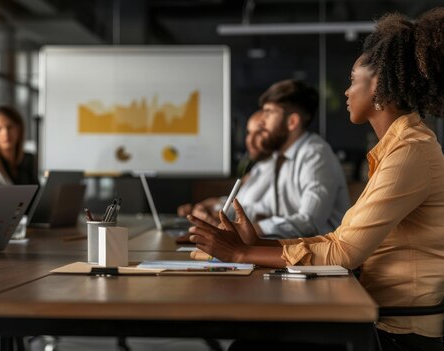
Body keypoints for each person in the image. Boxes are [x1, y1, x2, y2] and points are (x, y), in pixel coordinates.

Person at [188, 9, 444, 350]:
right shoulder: (398, 148)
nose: (346, 92)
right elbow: (338, 239)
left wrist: (241, 253)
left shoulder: (411, 151)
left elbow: (343, 253)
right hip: (372, 313)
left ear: (379, 87)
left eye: (354, 80)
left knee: (252, 346)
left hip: (396, 333)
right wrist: (259, 245)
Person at [242, 79, 349, 239]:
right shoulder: (280, 156)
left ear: (292, 122)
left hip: (322, 259)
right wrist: (220, 217)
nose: (261, 122)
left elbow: (309, 222)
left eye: (269, 112)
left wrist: (254, 229)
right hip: (293, 255)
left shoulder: (315, 154)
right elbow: (266, 208)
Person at [177, 110, 273, 226]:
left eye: (259, 133)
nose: (250, 140)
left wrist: (215, 215)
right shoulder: (258, 169)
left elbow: (262, 215)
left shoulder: (278, 170)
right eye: (249, 132)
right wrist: (209, 205)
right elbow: (238, 202)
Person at [0, 105, 38, 185]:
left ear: (19, 129)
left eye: (10, 127)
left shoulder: (29, 159)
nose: (5, 133)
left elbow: (37, 192)